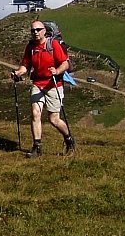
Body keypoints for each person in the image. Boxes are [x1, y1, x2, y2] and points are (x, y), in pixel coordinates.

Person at [11, 19, 77, 157]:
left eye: (38, 30)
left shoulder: (53, 44)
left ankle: (69, 139)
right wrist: (18, 72)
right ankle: (37, 147)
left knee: (54, 119)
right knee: (35, 113)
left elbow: (65, 63)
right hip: (38, 83)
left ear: (44, 31)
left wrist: (57, 71)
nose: (35, 32)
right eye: (32, 30)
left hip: (53, 84)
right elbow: (26, 66)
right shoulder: (30, 47)